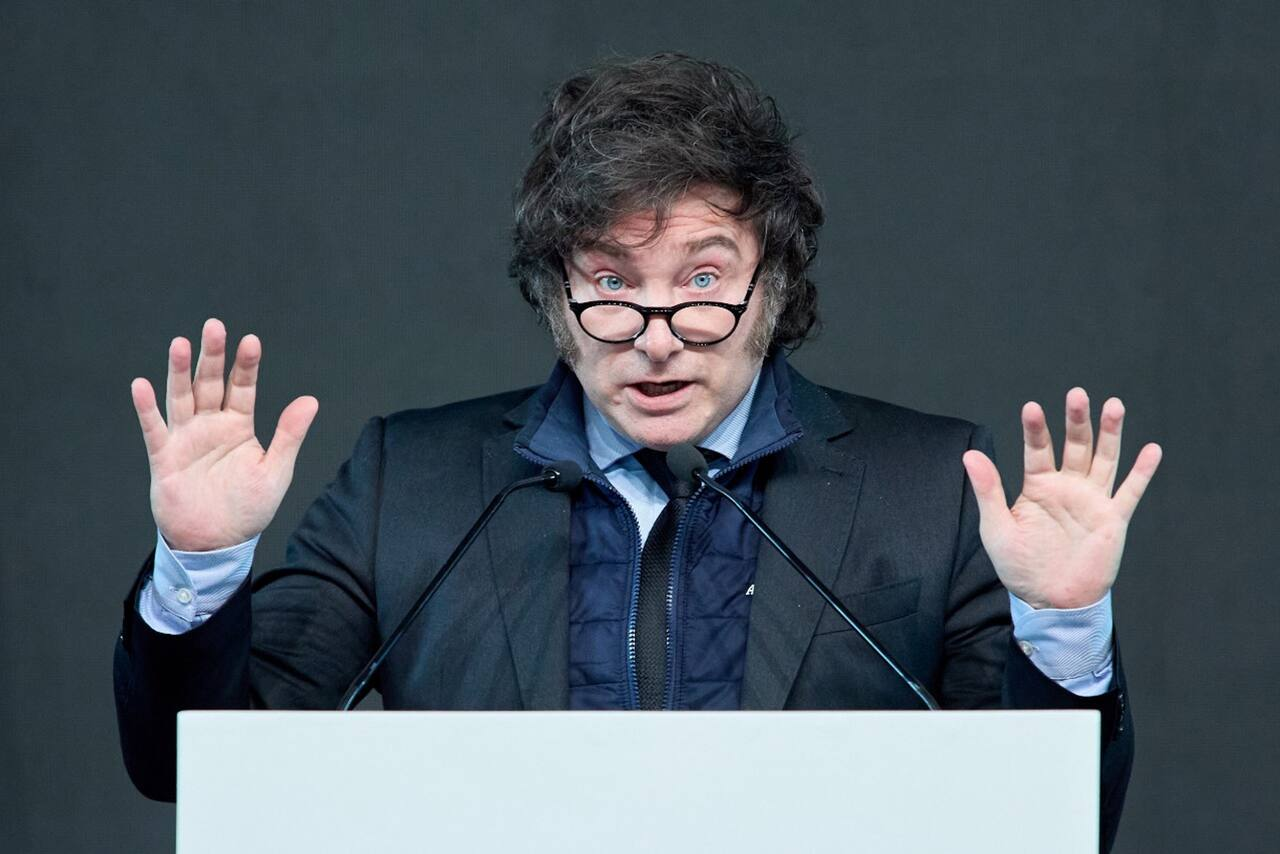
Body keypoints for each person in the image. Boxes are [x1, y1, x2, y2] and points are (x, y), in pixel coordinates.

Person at [115, 54, 1161, 851]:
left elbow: (1053, 821)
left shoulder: (927, 488)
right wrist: (199, 568)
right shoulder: (410, 482)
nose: (657, 336)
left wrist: (1062, 630)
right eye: (612, 283)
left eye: (703, 279)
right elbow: (187, 769)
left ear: (774, 284)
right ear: (553, 294)